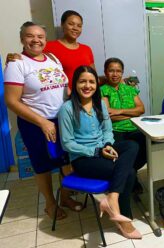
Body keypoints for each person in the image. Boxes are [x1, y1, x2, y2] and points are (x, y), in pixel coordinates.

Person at [4, 22, 81, 220]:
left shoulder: (52, 58)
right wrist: (42, 122)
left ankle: (65, 197)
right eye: (30, 36)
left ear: (46, 40)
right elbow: (11, 101)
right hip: (36, 124)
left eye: (40, 36)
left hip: (62, 120)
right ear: (22, 39)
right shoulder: (17, 63)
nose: (36, 40)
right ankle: (50, 204)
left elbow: (62, 88)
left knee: (65, 162)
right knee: (43, 165)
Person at [58, 65, 142, 239]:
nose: (87, 86)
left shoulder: (99, 105)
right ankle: (124, 219)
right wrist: (97, 151)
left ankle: (112, 198)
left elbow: (107, 129)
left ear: (96, 84)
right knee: (129, 172)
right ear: (75, 84)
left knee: (132, 145)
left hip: (102, 149)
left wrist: (109, 144)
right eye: (82, 82)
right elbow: (67, 143)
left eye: (91, 81)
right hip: (83, 158)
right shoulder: (67, 109)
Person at [6, 10, 95, 93]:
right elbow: (27, 56)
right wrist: (14, 57)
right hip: (63, 99)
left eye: (79, 26)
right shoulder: (48, 46)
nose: (75, 28)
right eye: (71, 24)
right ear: (62, 25)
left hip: (85, 96)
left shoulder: (86, 49)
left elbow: (93, 75)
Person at [100, 58, 146, 194]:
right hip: (114, 130)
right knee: (125, 152)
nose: (115, 74)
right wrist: (132, 114)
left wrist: (120, 111)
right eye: (111, 71)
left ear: (122, 72)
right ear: (105, 72)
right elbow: (108, 116)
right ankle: (129, 178)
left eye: (118, 71)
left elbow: (141, 109)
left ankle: (131, 173)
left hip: (134, 127)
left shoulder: (130, 89)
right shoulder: (102, 90)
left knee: (147, 144)